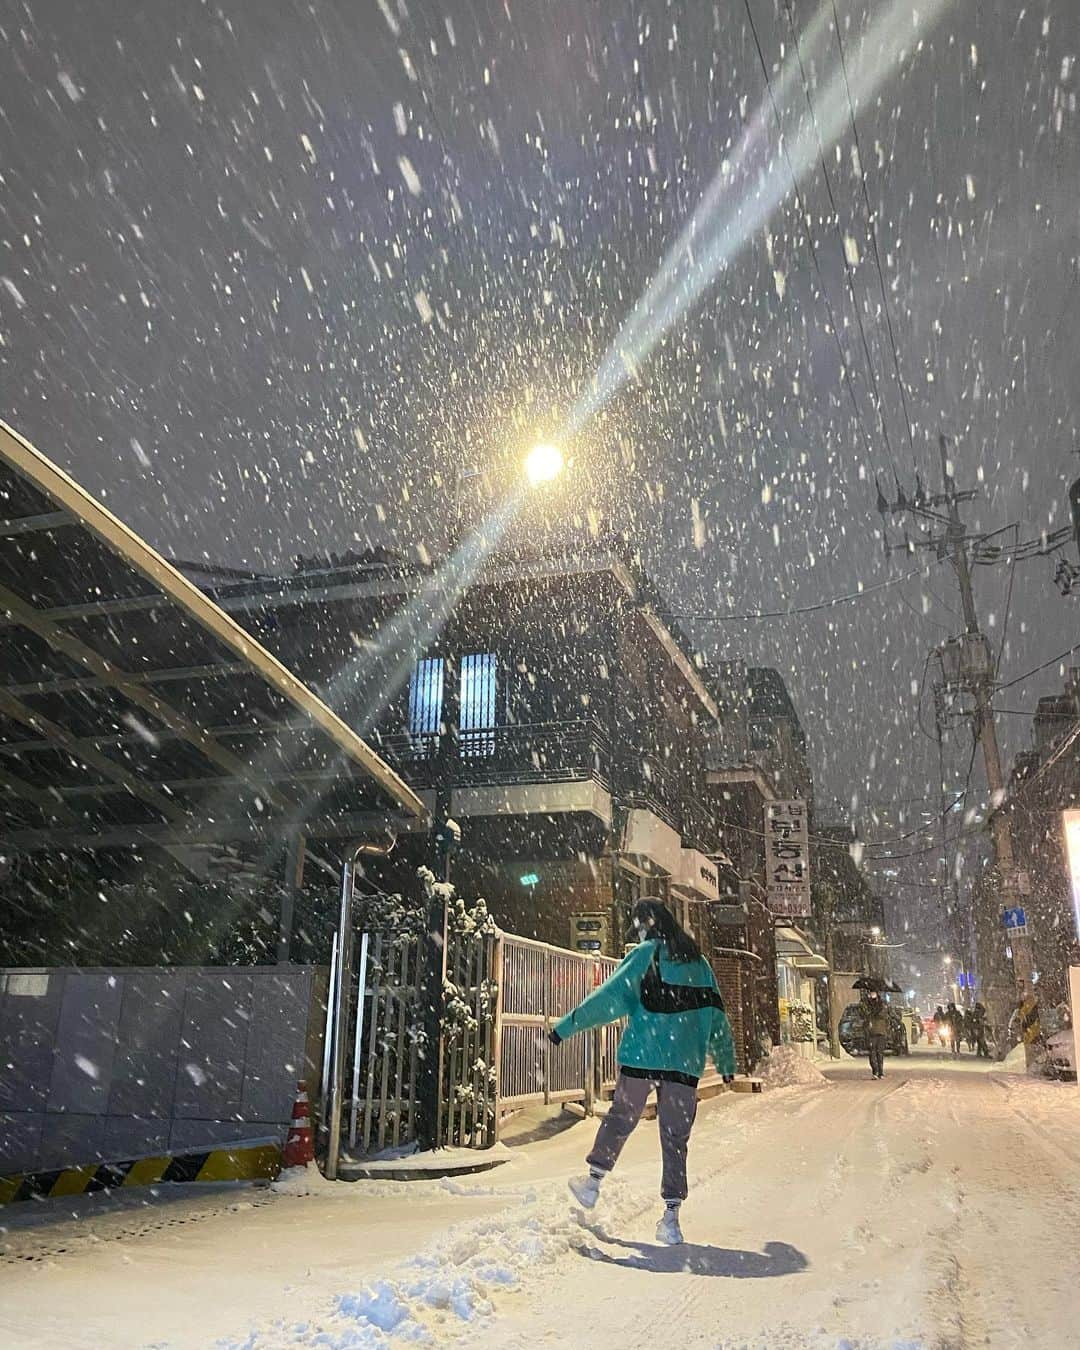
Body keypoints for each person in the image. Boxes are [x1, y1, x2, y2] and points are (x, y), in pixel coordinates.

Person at [549, 898, 735, 1246]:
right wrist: (725, 1061)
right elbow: (717, 1013)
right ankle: (671, 1218)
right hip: (683, 1063)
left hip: (642, 1055)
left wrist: (565, 1028)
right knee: (675, 1138)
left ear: (645, 923)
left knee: (621, 1117)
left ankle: (592, 1182)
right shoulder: (699, 962)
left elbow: (609, 998)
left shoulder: (644, 955)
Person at [863, 991, 889, 1079]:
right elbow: (864, 1015)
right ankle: (875, 1071)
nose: (872, 995)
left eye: (873, 993)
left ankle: (880, 1072)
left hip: (880, 1032)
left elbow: (884, 1015)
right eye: (871, 993)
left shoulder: (882, 1004)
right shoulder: (867, 1004)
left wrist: (875, 1012)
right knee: (872, 1053)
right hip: (872, 1033)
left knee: (879, 1053)